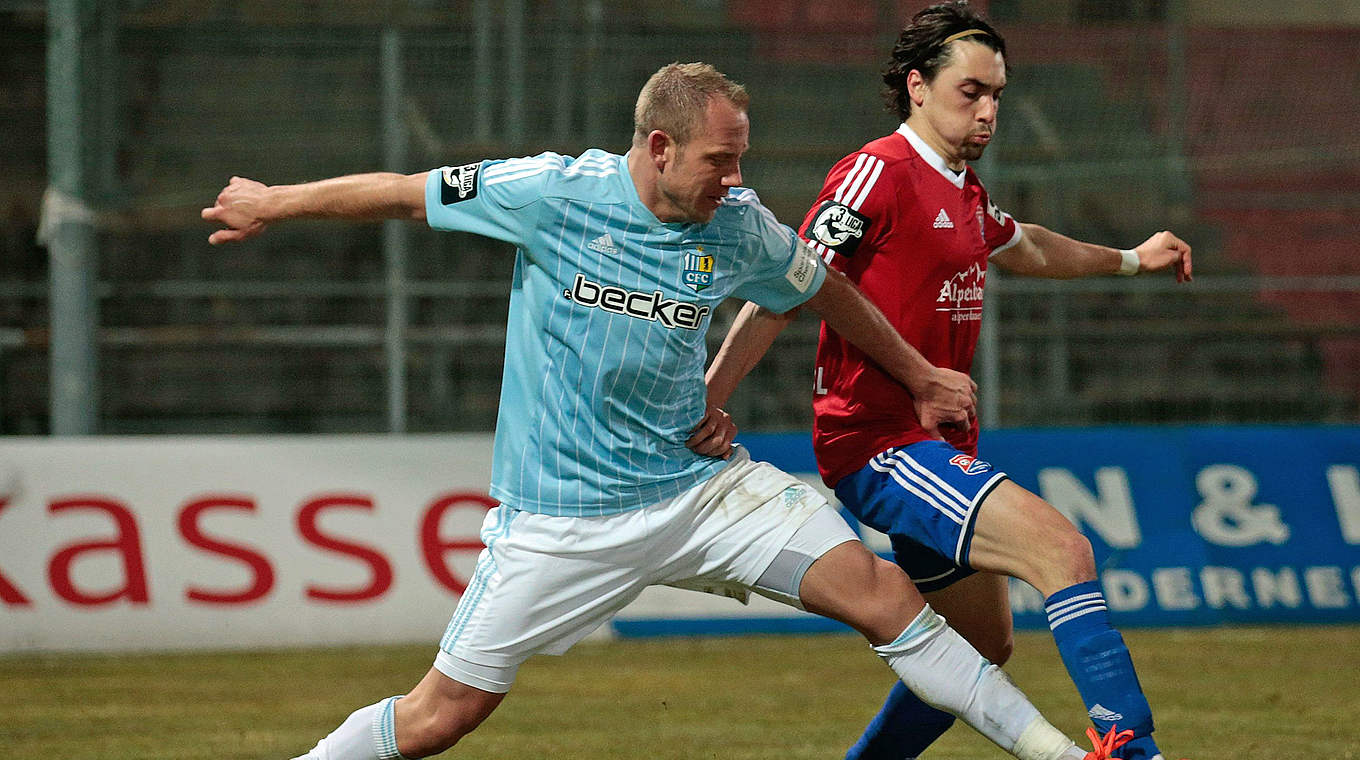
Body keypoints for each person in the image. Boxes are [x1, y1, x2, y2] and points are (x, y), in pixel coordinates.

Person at [204, 62, 1129, 760]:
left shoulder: (737, 222)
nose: (732, 177)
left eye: (742, 159)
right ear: (659, 148)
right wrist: (272, 203)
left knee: (885, 596)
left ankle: (1056, 752)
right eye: (719, 160)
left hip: (698, 493)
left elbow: (821, 290)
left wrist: (919, 373)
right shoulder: (553, 193)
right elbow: (407, 195)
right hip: (561, 520)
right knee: (440, 718)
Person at [703, 6, 1193, 760]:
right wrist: (711, 394)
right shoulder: (877, 174)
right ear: (917, 87)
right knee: (1063, 552)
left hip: (934, 445)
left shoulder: (960, 186)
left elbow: (1025, 244)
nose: (990, 109)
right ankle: (1133, 750)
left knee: (979, 644)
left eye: (998, 93)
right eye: (972, 91)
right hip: (879, 444)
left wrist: (1129, 258)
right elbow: (789, 282)